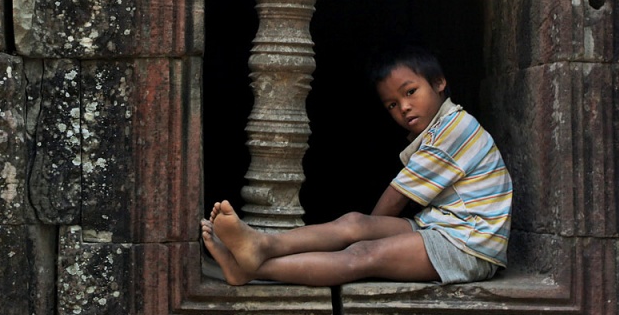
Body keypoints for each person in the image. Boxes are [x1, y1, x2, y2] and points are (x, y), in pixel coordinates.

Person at [202, 45, 512, 287]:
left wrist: (367, 239)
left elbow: (397, 196)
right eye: (392, 104)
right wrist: (364, 229)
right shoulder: (441, 127)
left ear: (439, 83)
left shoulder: (456, 128)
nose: (403, 107)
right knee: (353, 222)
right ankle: (262, 245)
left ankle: (254, 268)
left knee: (362, 255)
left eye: (410, 92)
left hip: (469, 248)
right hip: (442, 228)